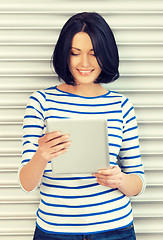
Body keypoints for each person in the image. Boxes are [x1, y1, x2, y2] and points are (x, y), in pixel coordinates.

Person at [19, 12, 145, 240]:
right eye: (75, 53)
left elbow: (137, 182)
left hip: (115, 230)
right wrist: (41, 155)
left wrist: (121, 180)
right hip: (55, 231)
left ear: (106, 55)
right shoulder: (41, 102)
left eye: (94, 54)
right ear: (64, 55)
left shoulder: (121, 105)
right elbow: (27, 184)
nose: (84, 63)